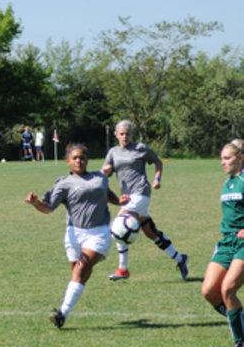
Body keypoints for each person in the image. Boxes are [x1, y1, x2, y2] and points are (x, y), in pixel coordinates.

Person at [25, 142, 129, 328]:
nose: (79, 161)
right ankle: (67, 308)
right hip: (74, 234)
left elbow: (107, 194)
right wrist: (35, 204)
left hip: (99, 233)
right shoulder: (63, 183)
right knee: (78, 274)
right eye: (75, 158)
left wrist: (118, 201)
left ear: (87, 160)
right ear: (67, 161)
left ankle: (62, 314)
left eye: (82, 157)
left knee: (80, 269)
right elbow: (48, 208)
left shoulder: (100, 177)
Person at [101, 120, 188, 281]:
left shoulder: (140, 148)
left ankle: (123, 269)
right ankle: (180, 258)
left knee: (119, 225)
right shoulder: (113, 152)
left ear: (131, 134)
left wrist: (157, 179)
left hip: (141, 192)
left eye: (127, 134)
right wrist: (104, 172)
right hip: (127, 197)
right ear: (116, 135)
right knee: (150, 232)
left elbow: (158, 162)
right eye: (122, 134)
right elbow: (105, 172)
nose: (125, 136)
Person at [202, 141, 244, 347]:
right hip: (227, 242)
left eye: (227, 158)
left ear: (241, 158)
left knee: (228, 288)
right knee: (209, 291)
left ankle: (240, 340)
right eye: (221, 159)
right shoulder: (228, 183)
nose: (223, 162)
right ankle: (239, 319)